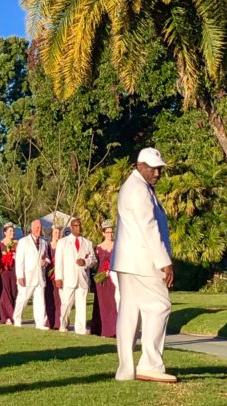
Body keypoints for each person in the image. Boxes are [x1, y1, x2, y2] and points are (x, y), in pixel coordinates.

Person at [112, 147, 176, 383]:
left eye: (159, 169)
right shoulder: (138, 190)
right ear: (139, 166)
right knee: (159, 305)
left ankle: (126, 370)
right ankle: (150, 364)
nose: (157, 173)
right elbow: (149, 228)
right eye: (152, 168)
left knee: (129, 314)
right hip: (142, 261)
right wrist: (164, 262)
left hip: (128, 261)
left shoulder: (135, 187)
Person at [54, 217, 96, 334]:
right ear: (71, 227)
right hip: (68, 279)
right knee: (66, 304)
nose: (79, 228)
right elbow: (59, 261)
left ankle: (81, 329)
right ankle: (63, 325)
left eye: (80, 225)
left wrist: (86, 262)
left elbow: (93, 260)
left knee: (81, 304)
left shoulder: (87, 243)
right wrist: (59, 277)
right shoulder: (63, 242)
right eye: (76, 226)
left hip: (82, 279)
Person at [13, 219, 49, 330]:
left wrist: (45, 262)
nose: (39, 230)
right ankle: (17, 318)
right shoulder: (24, 241)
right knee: (23, 298)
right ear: (32, 228)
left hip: (39, 276)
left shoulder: (43, 242)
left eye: (40, 227)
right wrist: (20, 276)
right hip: (27, 275)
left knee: (40, 300)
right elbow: (19, 260)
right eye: (37, 228)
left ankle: (40, 323)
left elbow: (46, 257)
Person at [90, 221, 118, 338]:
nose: (110, 234)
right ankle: (104, 330)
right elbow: (94, 263)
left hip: (113, 279)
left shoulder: (117, 246)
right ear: (103, 233)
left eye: (112, 232)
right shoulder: (98, 248)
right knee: (102, 304)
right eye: (108, 232)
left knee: (114, 304)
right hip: (101, 280)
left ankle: (115, 329)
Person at [0, 222, 18, 325]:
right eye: (10, 231)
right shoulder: (0, 245)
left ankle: (11, 315)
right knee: (5, 293)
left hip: (14, 271)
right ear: (5, 232)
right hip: (3, 271)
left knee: (13, 292)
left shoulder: (16, 244)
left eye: (13, 231)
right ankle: (7, 316)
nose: (12, 233)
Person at [44, 226, 62, 330]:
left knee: (59, 299)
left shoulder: (63, 246)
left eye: (59, 233)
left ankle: (59, 323)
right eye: (55, 232)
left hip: (59, 276)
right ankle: (50, 322)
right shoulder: (47, 246)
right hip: (49, 276)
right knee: (49, 298)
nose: (57, 234)